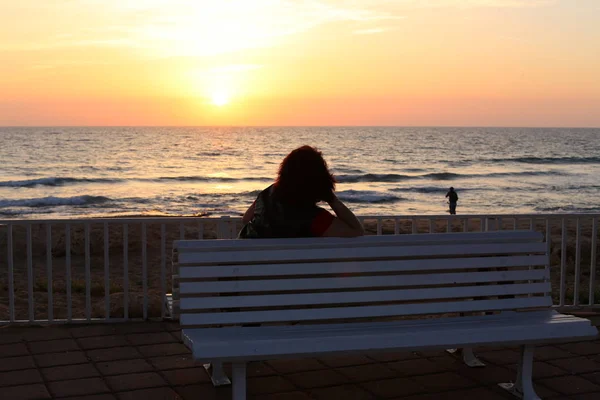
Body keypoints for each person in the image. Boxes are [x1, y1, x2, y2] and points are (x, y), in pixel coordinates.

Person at [239, 145, 364, 238]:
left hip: (252, 270)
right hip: (294, 271)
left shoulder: (266, 195)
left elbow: (246, 219)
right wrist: (332, 199)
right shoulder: (316, 219)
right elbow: (357, 231)